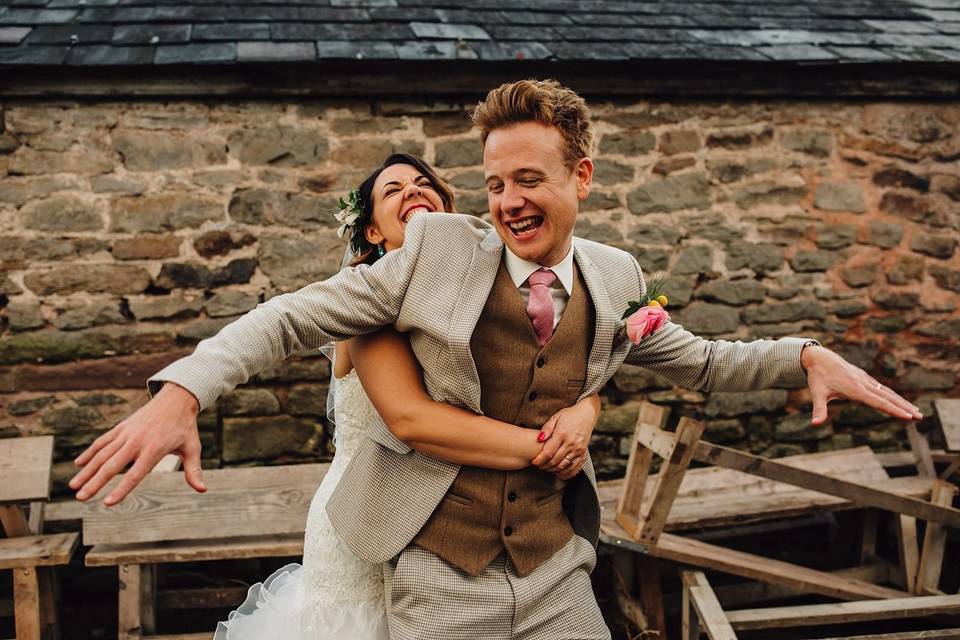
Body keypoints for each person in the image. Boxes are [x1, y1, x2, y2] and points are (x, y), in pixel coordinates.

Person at [71, 79, 922, 640]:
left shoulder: (619, 275)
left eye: (529, 180)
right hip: (441, 572)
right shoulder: (432, 253)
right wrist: (184, 387)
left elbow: (697, 360)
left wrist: (803, 353)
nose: (509, 203)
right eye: (493, 185)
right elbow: (295, 317)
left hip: (559, 566)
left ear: (581, 176)